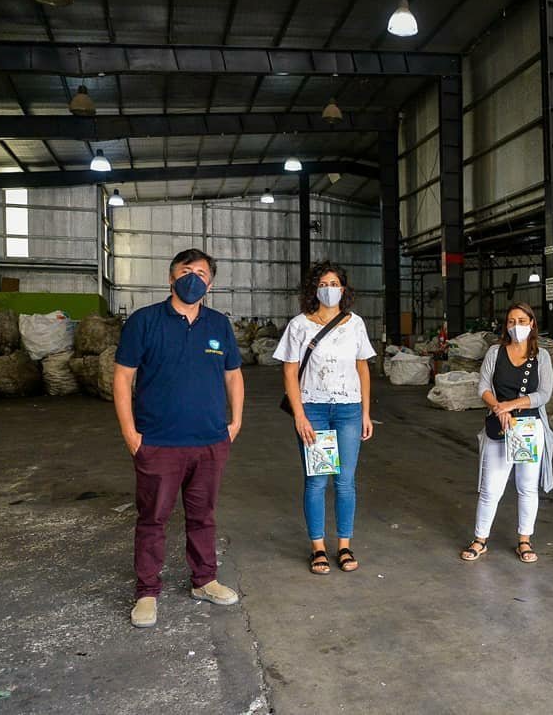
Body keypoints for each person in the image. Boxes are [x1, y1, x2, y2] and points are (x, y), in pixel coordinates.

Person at [114, 249, 244, 628]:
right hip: (158, 442)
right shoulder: (144, 321)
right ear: (170, 277)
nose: (194, 278)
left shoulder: (219, 325)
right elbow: (123, 377)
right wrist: (131, 433)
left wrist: (234, 423)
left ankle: (204, 580)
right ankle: (147, 591)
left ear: (211, 283)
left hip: (209, 441)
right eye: (186, 271)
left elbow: (233, 374)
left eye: (202, 273)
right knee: (153, 518)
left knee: (203, 516)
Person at [274, 261, 375, 575]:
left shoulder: (355, 323)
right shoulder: (300, 325)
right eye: (324, 283)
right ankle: (318, 547)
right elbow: (290, 371)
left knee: (345, 482)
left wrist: (366, 412)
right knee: (316, 481)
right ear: (314, 289)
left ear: (343, 289)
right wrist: (300, 415)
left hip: (348, 410)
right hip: (314, 410)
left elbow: (362, 367)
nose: (329, 289)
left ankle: (344, 545)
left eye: (335, 284)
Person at [460, 302, 553, 563]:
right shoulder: (495, 352)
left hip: (528, 429)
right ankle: (480, 539)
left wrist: (510, 406)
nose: (517, 326)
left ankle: (525, 540)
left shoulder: (542, 357)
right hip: (498, 427)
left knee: (526, 487)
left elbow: (543, 394)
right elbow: (483, 387)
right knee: (491, 488)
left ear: (532, 324)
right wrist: (498, 409)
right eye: (512, 321)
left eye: (522, 321)